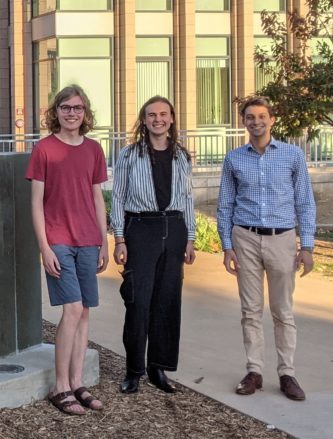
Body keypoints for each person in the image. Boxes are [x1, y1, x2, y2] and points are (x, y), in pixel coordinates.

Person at [217, 96, 316, 401]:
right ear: (243, 121)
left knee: (283, 311)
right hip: (245, 238)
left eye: (261, 116)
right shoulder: (234, 159)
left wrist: (307, 245)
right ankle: (254, 371)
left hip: (282, 239)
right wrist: (227, 246)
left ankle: (287, 373)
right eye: (250, 117)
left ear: (272, 120)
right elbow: (226, 204)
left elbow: (304, 202)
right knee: (250, 310)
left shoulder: (292, 156)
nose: (256, 122)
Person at [26, 85, 109, 415]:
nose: (71, 113)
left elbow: (97, 198)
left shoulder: (93, 150)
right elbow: (36, 204)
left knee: (85, 310)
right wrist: (44, 247)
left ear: (85, 112)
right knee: (72, 310)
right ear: (55, 112)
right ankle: (59, 386)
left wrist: (104, 240)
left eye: (77, 108)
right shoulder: (44, 149)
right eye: (65, 107)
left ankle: (76, 383)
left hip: (89, 239)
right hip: (58, 240)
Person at [110, 96, 196, 395]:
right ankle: (133, 370)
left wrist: (191, 237)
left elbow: (187, 199)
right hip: (140, 230)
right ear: (143, 120)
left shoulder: (182, 156)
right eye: (151, 115)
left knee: (167, 302)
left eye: (163, 114)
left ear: (172, 118)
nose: (157, 119)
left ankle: (158, 368)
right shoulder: (129, 155)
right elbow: (118, 197)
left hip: (174, 229)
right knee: (138, 301)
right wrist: (120, 238)